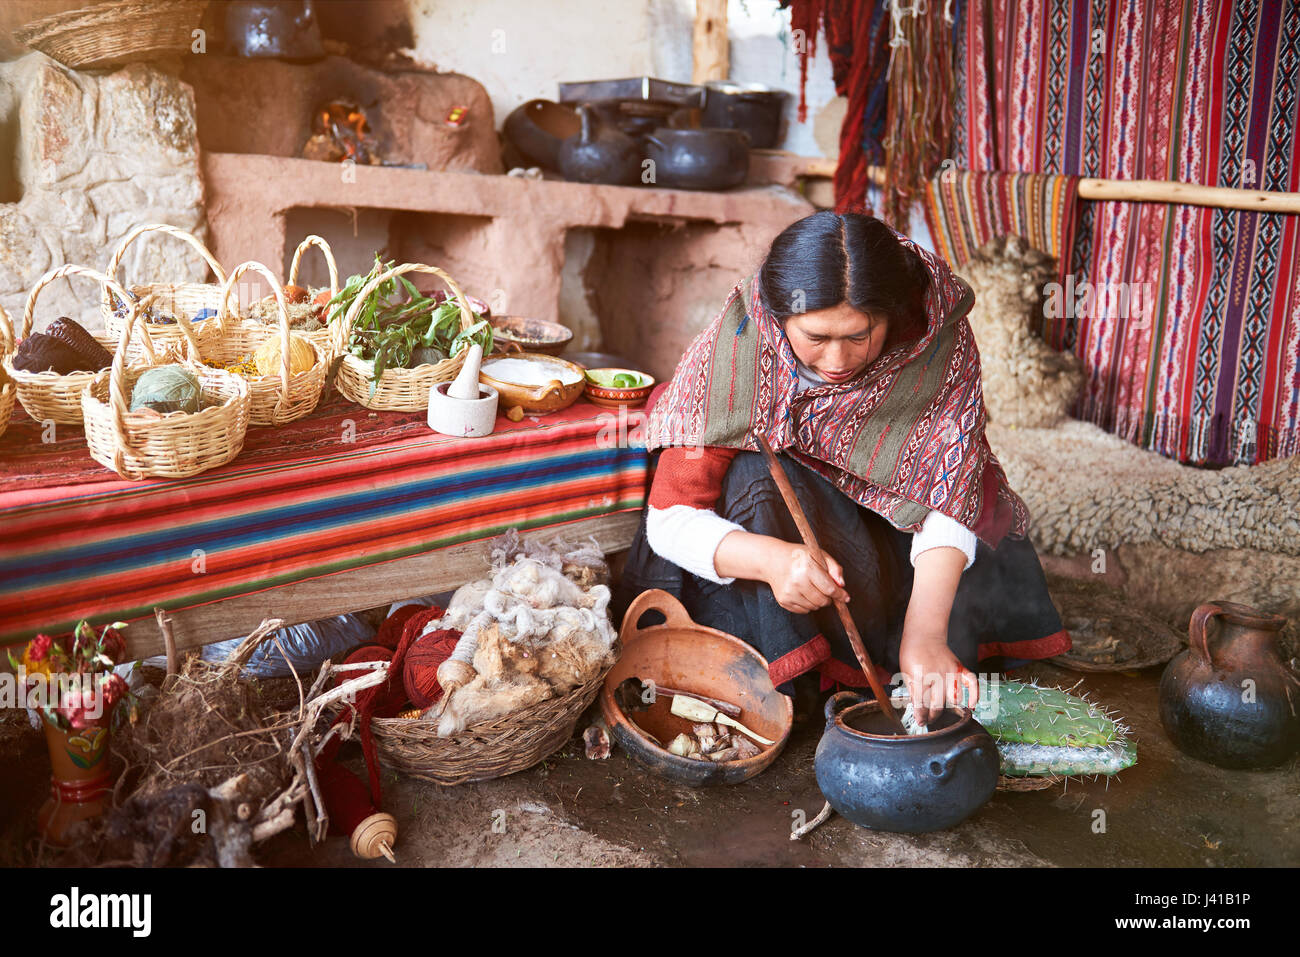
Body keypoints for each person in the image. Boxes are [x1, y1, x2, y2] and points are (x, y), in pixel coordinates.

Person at [616, 212, 1070, 725]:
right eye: (815, 337)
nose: (836, 359)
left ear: (893, 315)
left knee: (981, 490)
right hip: (799, 541)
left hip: (904, 542)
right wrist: (772, 562)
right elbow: (671, 518)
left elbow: (953, 487)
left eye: (859, 335)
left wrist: (925, 636)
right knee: (754, 479)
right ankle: (810, 667)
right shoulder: (739, 345)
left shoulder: (933, 340)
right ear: (777, 316)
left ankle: (909, 651)